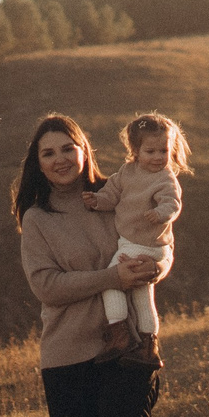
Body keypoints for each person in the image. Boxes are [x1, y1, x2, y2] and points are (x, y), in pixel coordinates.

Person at [14, 113, 162, 417]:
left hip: (130, 344)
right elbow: (46, 286)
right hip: (67, 350)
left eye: (67, 148)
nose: (60, 159)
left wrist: (158, 265)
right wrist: (111, 279)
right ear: (37, 164)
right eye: (49, 153)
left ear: (84, 151)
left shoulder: (114, 195)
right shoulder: (37, 219)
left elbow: (158, 240)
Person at [83, 112, 188, 355]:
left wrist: (162, 213)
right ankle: (148, 344)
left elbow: (173, 203)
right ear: (135, 150)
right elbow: (111, 195)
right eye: (150, 151)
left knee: (112, 283)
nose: (158, 157)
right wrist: (97, 201)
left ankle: (119, 335)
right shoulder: (127, 173)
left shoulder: (166, 178)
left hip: (144, 243)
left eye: (164, 150)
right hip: (135, 242)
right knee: (142, 294)